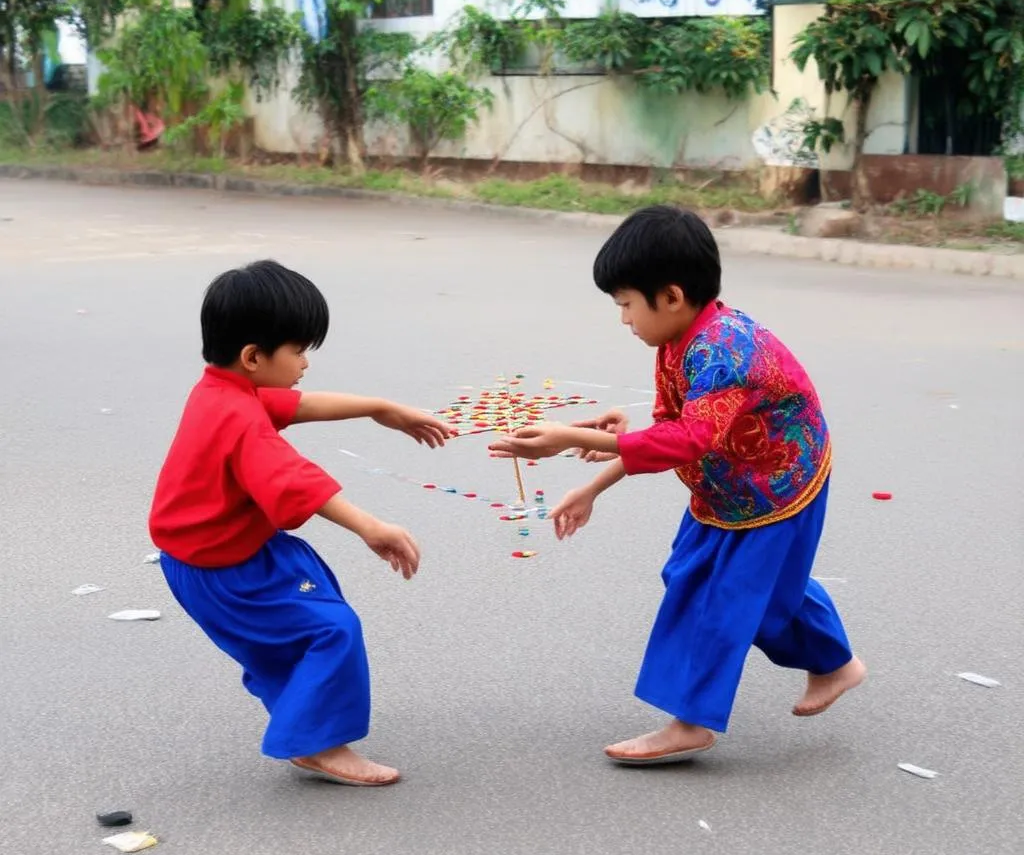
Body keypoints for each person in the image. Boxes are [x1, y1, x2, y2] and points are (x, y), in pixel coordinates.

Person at [489, 206, 865, 765]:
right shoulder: (677, 341)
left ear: (668, 296)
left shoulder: (725, 350)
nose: (623, 319)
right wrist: (596, 484)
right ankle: (836, 663)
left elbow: (686, 440)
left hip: (779, 484)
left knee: (727, 596)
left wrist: (571, 436)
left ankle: (691, 722)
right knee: (708, 577)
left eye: (625, 305)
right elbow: (672, 429)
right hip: (729, 486)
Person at [150, 259, 454, 786]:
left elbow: (300, 404)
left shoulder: (222, 390)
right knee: (331, 630)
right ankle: (318, 745)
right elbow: (295, 481)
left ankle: (309, 728)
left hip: (220, 553)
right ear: (253, 356)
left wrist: (380, 407)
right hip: (225, 569)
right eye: (298, 350)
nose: (306, 362)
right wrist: (371, 526)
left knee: (302, 626)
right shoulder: (239, 418)